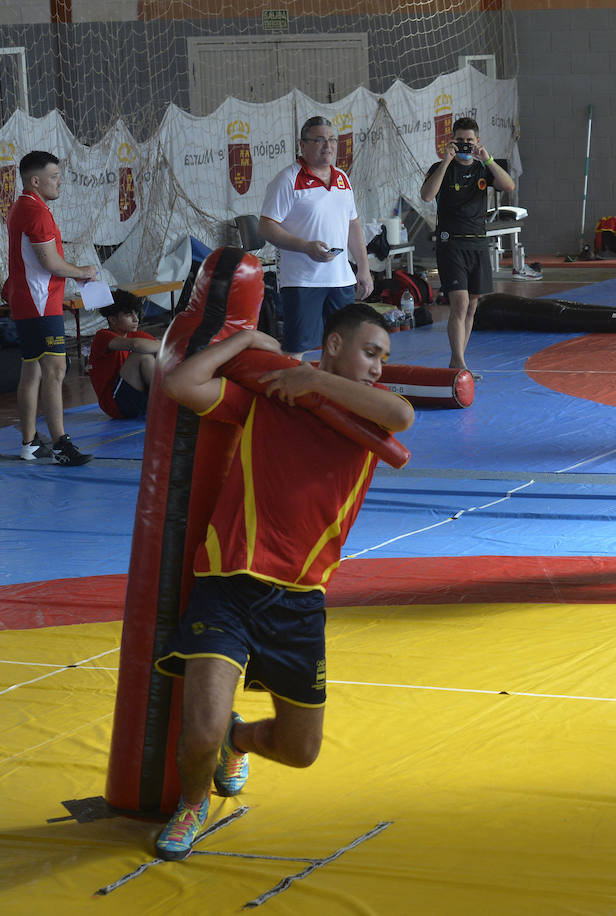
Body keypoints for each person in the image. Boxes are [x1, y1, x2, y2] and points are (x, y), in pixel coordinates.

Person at [151, 303, 414, 861]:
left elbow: (402, 415)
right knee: (199, 727)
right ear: (335, 344)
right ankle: (192, 804)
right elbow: (181, 382)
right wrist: (243, 339)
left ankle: (238, 740)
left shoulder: (369, 421)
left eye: (384, 358)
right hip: (228, 584)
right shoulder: (266, 403)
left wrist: (312, 378)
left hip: (298, 600)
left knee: (300, 750)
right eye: (370, 352)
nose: (377, 367)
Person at [3, 150, 99, 465]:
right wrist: (83, 271)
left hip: (28, 300)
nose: (59, 182)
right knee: (55, 371)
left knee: (32, 369)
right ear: (35, 180)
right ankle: (60, 443)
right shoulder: (36, 212)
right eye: (54, 176)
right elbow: (50, 263)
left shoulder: (22, 206)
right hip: (40, 303)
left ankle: (30, 441)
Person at [258, 117, 373, 360]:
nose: (328, 146)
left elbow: (352, 224)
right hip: (302, 281)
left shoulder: (342, 178)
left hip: (340, 280)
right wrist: (305, 247)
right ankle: (289, 398)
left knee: (344, 348)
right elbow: (266, 227)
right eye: (319, 140)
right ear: (302, 144)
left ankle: (336, 397)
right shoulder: (288, 180)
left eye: (332, 140)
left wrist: (363, 268)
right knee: (296, 350)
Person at [419, 116, 516, 375]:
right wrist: (446, 160)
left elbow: (508, 185)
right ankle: (459, 362)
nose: (464, 145)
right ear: (451, 141)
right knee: (459, 303)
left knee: (472, 304)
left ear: (477, 141)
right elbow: (427, 195)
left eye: (469, 141)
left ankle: (457, 360)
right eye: (459, 140)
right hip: (451, 243)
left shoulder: (483, 168)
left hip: (478, 243)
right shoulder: (440, 167)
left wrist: (487, 159)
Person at [88, 294, 158, 420]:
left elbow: (162, 349)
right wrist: (168, 344)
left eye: (135, 314)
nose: (136, 319)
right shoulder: (102, 336)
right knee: (142, 356)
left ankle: (177, 400)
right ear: (113, 320)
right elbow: (135, 345)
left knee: (164, 357)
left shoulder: (136, 334)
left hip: (137, 399)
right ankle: (169, 404)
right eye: (128, 315)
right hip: (115, 404)